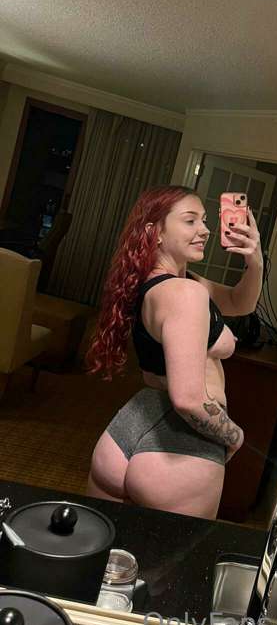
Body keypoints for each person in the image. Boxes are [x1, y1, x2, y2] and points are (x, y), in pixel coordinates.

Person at [85, 184, 263, 518]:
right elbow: (188, 400)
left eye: (205, 220)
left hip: (131, 426)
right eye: (190, 220)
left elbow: (241, 302)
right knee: (174, 553)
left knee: (100, 545)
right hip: (179, 446)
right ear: (155, 233)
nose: (205, 230)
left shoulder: (175, 283)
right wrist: (234, 435)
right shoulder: (185, 294)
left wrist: (255, 262)